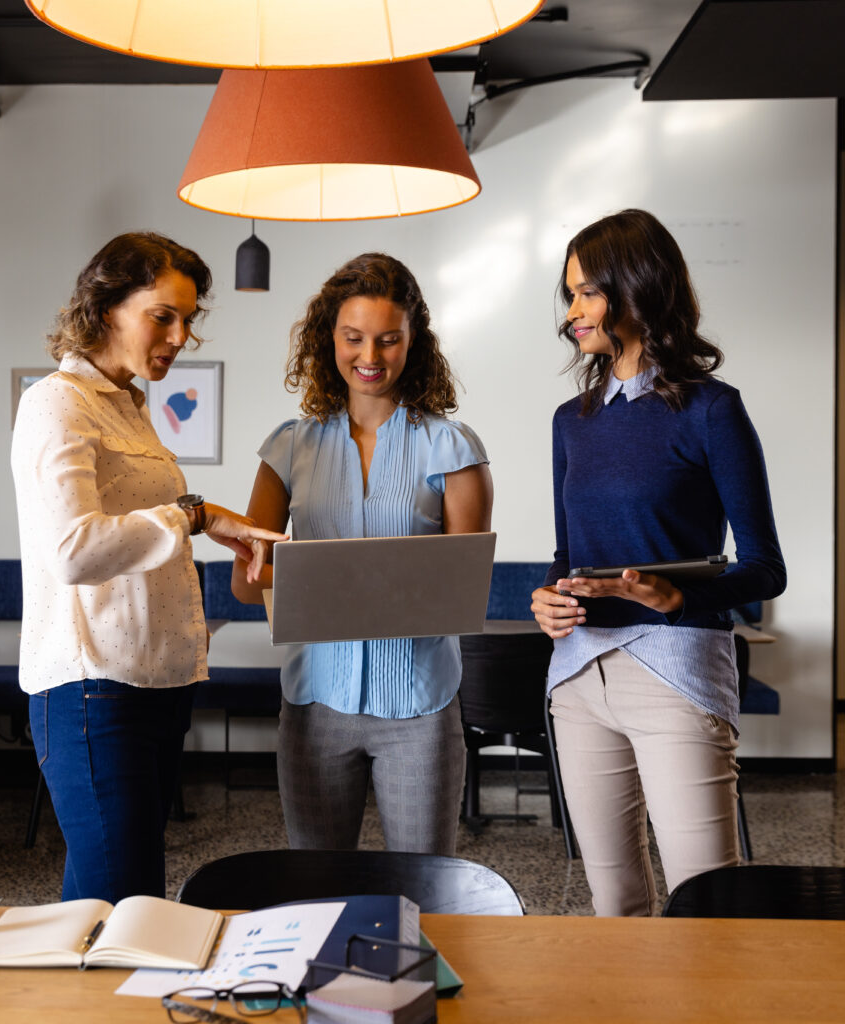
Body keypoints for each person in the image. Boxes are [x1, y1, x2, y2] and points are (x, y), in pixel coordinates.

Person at [11, 231, 286, 903]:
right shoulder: (57, 402)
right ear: (108, 309)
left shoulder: (128, 406)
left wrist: (207, 515)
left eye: (188, 319)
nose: (179, 334)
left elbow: (143, 518)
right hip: (90, 687)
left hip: (153, 679)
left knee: (114, 898)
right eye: (163, 314)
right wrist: (192, 517)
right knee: (124, 899)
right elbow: (76, 550)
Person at [530, 209, 786, 916]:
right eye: (569, 294)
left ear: (636, 289)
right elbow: (566, 555)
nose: (571, 313)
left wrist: (677, 599)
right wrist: (547, 597)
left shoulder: (712, 411)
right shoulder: (569, 420)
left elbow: (766, 567)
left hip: (676, 675)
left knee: (708, 907)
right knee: (615, 905)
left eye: (587, 293)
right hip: (579, 676)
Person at [231, 253, 493, 855]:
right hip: (315, 704)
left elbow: (464, 590)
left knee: (424, 889)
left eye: (388, 340)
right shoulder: (288, 447)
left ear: (413, 342)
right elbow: (246, 587)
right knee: (316, 892)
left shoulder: (452, 448)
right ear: (329, 340)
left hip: (421, 708)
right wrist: (287, 569)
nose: (370, 357)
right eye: (353, 338)